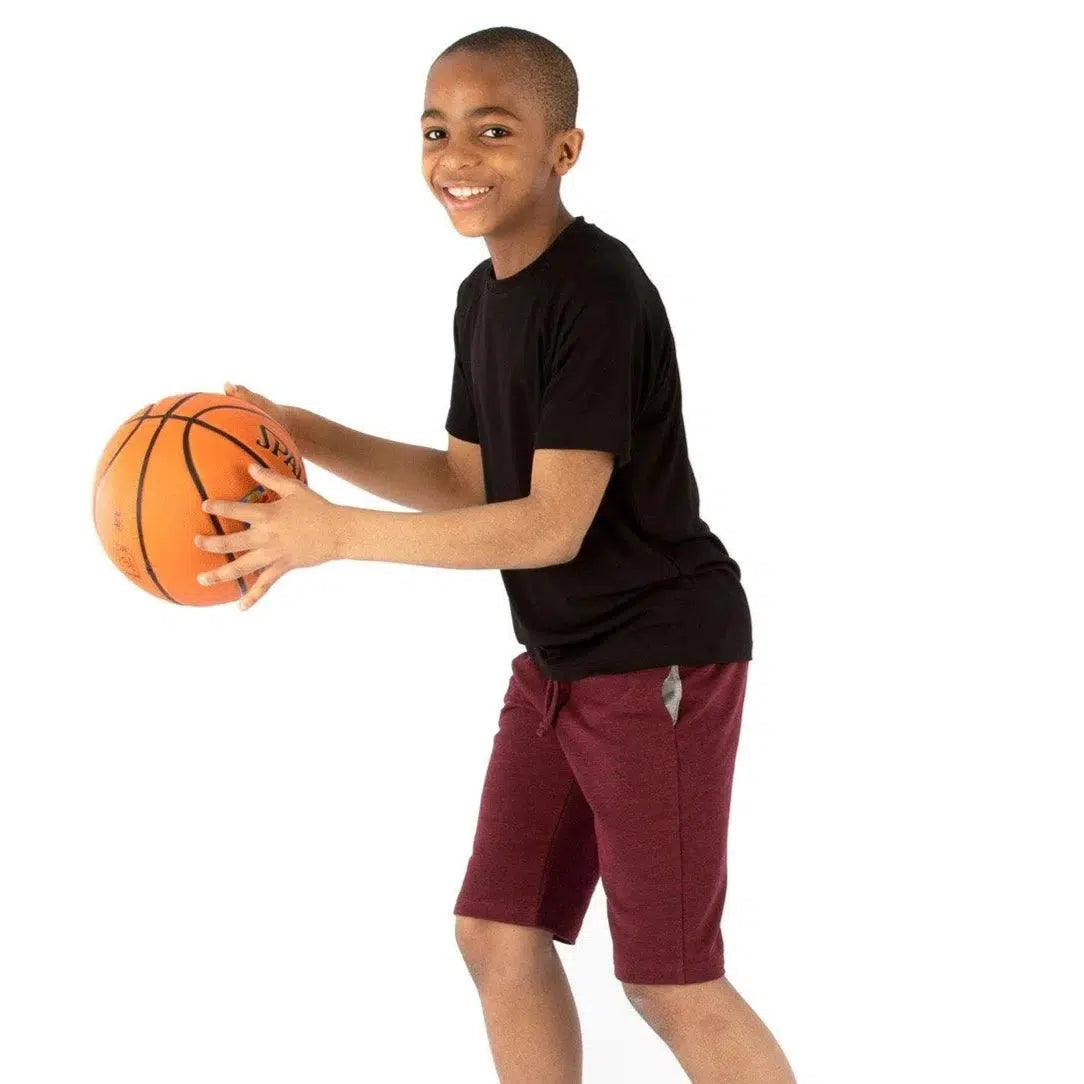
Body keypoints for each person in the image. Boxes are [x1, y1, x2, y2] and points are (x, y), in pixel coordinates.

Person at [196, 25, 796, 1084]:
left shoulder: (597, 290)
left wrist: (336, 533)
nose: (456, 158)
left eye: (493, 131)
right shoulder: (483, 297)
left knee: (669, 981)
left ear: (564, 151)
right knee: (497, 931)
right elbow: (472, 486)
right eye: (436, 132)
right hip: (560, 663)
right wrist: (306, 433)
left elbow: (549, 524)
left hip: (656, 658)